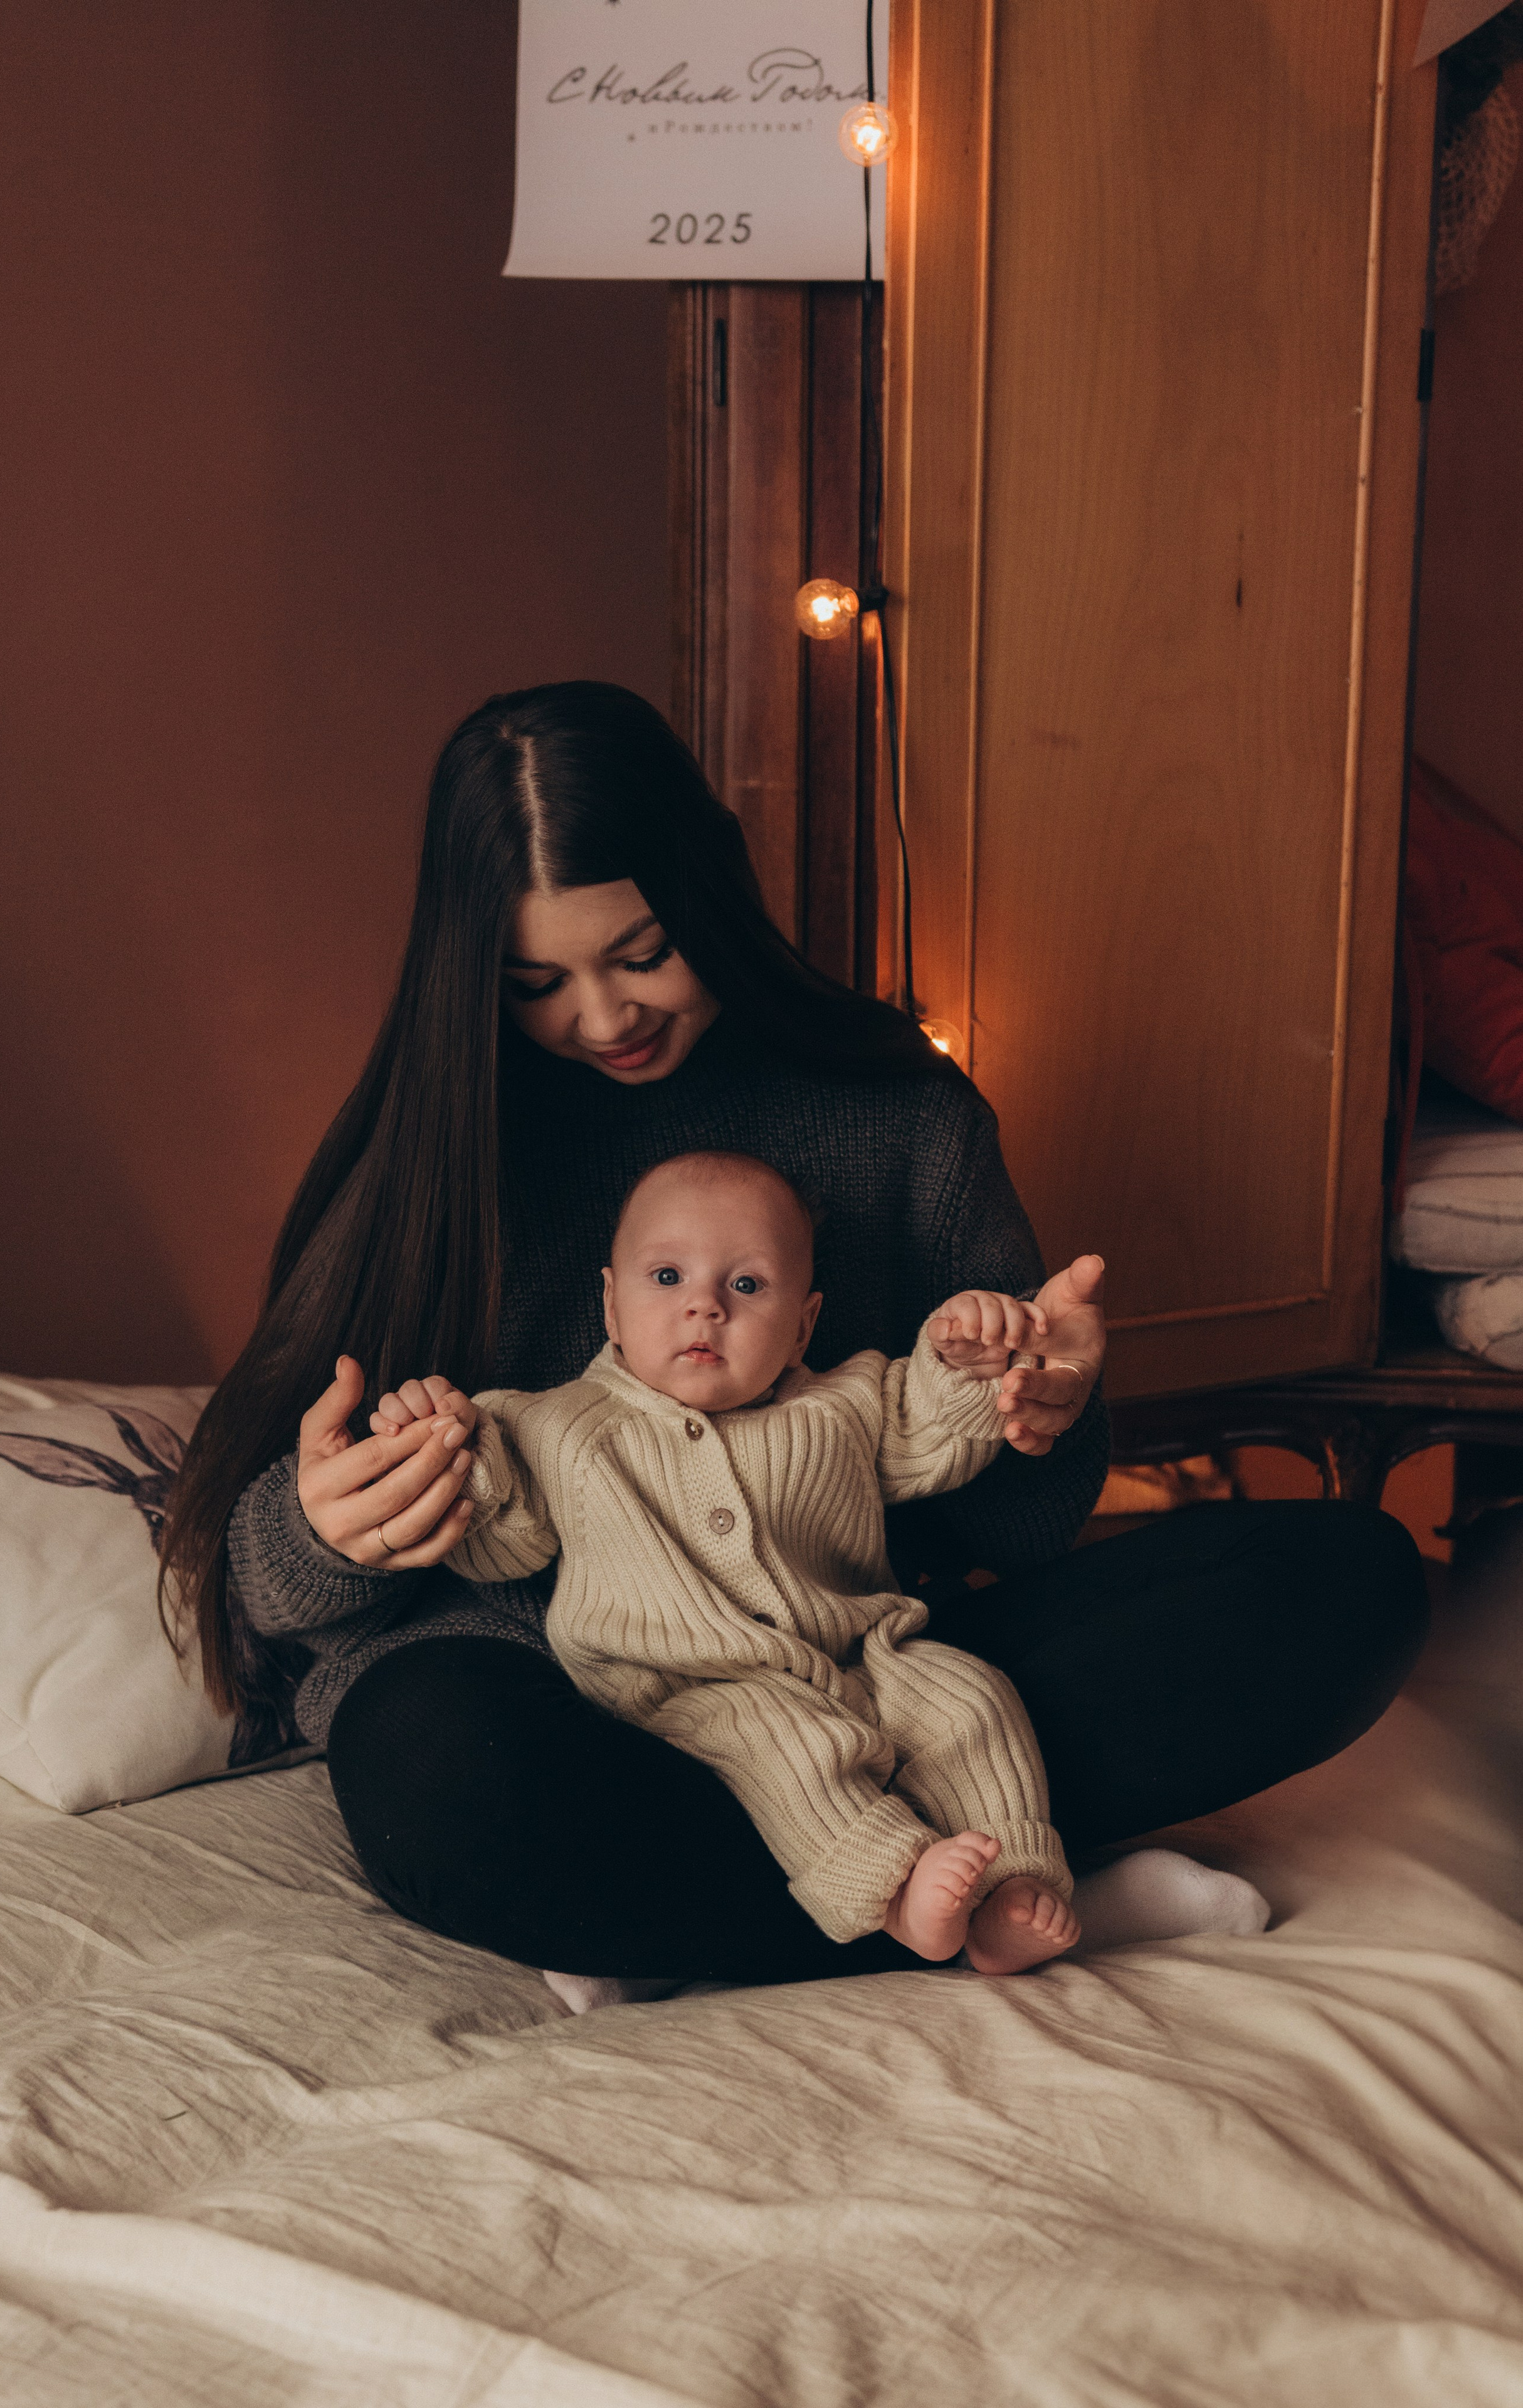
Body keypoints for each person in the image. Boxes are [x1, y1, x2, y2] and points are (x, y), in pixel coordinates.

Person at [160, 679, 1430, 1992]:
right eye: (535, 982)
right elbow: (262, 1578)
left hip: (862, 1671)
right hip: (561, 1714)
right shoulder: (432, 1151)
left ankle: (712, 1914)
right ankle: (1001, 1896)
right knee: (426, 1764)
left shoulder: (896, 1109)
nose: (601, 1020)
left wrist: (1038, 1417)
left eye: (641, 952)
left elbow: (1006, 1531)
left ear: (707, 890)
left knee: (1345, 1582)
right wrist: (325, 1529)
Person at [371, 1148, 1081, 1977]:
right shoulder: (561, 1426)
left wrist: (964, 1356)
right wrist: (445, 1439)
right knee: (785, 1744)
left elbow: (937, 1429)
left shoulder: (844, 1403)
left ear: (804, 1325)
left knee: (973, 1700)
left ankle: (1008, 1893)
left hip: (866, 1656)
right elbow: (499, 1537)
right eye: (666, 1277)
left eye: (746, 1287)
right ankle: (895, 1894)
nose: (703, 1307)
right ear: (611, 1302)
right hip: (685, 1688)